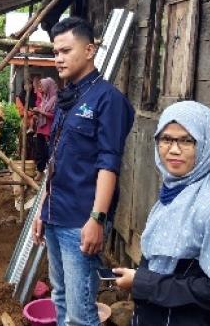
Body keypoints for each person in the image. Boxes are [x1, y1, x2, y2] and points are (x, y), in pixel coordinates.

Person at [113, 101, 210, 326]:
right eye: (166, 139)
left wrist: (143, 283)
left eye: (187, 140)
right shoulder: (176, 190)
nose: (173, 149)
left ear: (205, 143)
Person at [31, 17, 134, 326]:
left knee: (80, 314)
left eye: (65, 50)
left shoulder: (108, 99)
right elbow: (55, 163)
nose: (58, 58)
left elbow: (108, 164)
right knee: (60, 298)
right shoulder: (67, 99)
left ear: (89, 50)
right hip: (54, 216)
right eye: (55, 52)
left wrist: (97, 219)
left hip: (80, 222)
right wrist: (41, 210)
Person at [32, 77, 57, 176]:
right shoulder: (44, 98)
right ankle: (40, 171)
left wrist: (40, 111)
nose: (40, 88)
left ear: (47, 86)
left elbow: (54, 115)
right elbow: (41, 110)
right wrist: (36, 114)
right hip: (40, 128)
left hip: (49, 130)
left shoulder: (55, 99)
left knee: (48, 152)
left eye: (42, 86)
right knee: (39, 151)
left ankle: (49, 172)